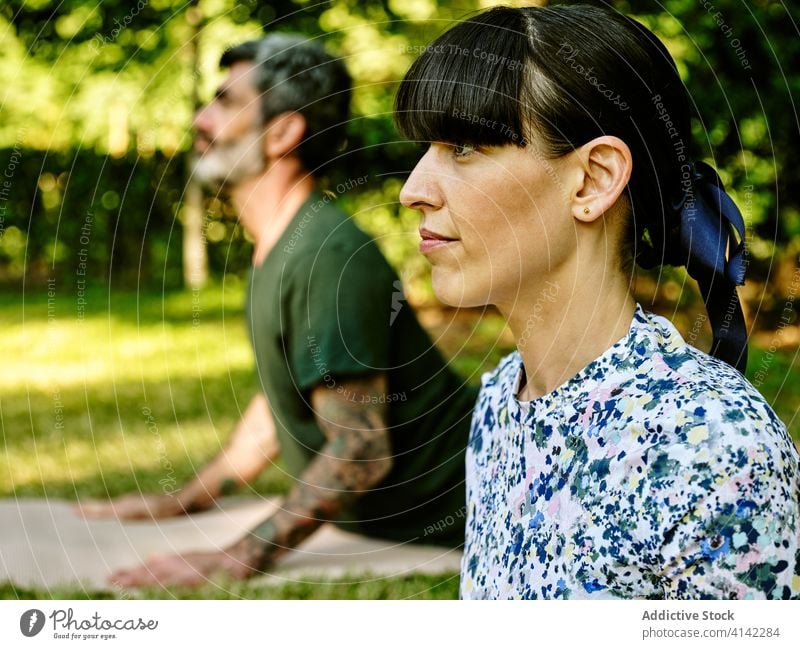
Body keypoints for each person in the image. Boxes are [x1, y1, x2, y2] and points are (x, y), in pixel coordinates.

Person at [395, 4, 800, 599]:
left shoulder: (711, 444)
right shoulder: (503, 401)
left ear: (592, 180)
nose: (413, 190)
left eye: (463, 146)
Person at [81, 33, 476, 587]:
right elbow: (280, 406)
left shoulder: (326, 257)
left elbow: (360, 450)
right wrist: (184, 500)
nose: (201, 119)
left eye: (225, 103)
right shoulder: (285, 244)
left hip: (460, 522)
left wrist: (236, 557)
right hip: (383, 526)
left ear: (284, 130)